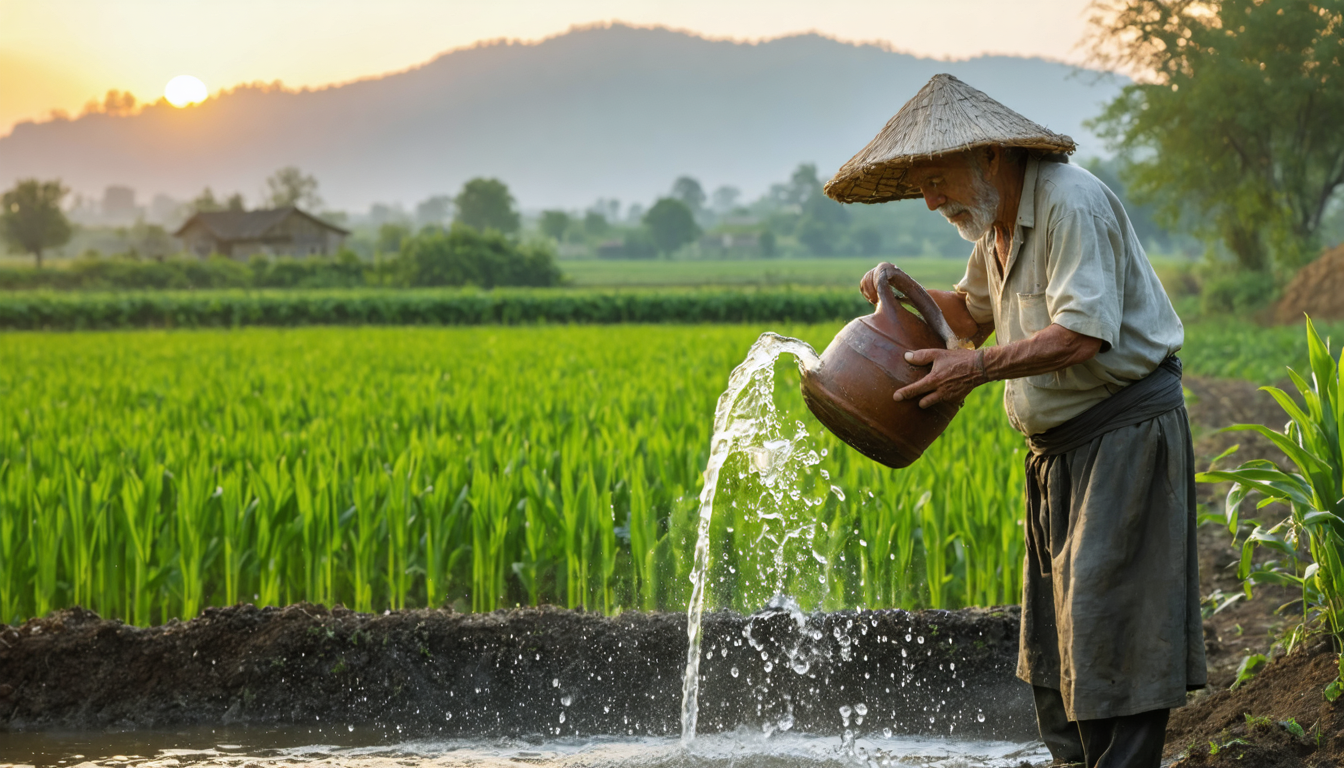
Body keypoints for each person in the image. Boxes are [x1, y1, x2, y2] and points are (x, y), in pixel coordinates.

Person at [827, 74, 1206, 767]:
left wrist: (972, 369)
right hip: (1056, 449)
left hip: (1119, 434)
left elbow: (1080, 335)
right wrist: (898, 287)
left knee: (1110, 625)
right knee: (1060, 637)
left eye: (937, 180)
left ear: (991, 157)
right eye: (922, 186)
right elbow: (968, 313)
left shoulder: (1071, 205)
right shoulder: (998, 227)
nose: (932, 200)